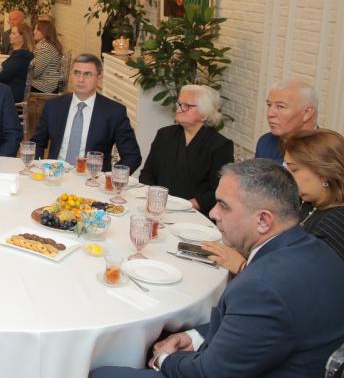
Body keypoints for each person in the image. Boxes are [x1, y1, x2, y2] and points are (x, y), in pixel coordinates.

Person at [85, 159, 344, 378]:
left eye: (224, 206)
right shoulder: (321, 254)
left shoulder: (262, 286)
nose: (213, 213)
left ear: (263, 220)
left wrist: (164, 360)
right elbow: (258, 326)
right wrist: (194, 336)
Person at [204, 130, 344, 269]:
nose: (287, 175)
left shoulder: (335, 222)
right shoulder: (308, 204)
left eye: (294, 169)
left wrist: (242, 266)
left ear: (323, 174)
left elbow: (307, 277)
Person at [31, 53, 140, 171]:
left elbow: (132, 156)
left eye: (87, 74)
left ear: (99, 78)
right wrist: (38, 168)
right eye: (76, 73)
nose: (81, 79)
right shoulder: (53, 106)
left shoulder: (114, 112)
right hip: (55, 174)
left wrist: (112, 177)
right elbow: (37, 143)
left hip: (92, 178)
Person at [139, 85, 234, 214]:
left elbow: (220, 190)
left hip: (195, 214)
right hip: (157, 207)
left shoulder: (220, 146)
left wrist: (186, 206)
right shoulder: (164, 134)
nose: (179, 109)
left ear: (204, 114)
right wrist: (155, 200)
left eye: (186, 106)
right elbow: (147, 174)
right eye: (179, 104)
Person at [255, 80, 318, 163]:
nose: (270, 113)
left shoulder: (325, 154)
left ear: (307, 113)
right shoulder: (265, 142)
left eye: (281, 106)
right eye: (269, 105)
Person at [0, 21, 34, 103]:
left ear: (22, 37)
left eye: (13, 33)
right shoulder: (22, 53)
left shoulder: (21, 56)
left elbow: (4, 76)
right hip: (13, 88)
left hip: (12, 91)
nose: (10, 35)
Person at [30, 19, 64, 94]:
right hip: (49, 84)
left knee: (16, 83)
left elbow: (34, 73)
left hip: (45, 86)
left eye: (37, 30)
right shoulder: (49, 45)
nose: (34, 32)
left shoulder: (45, 48)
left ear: (45, 32)